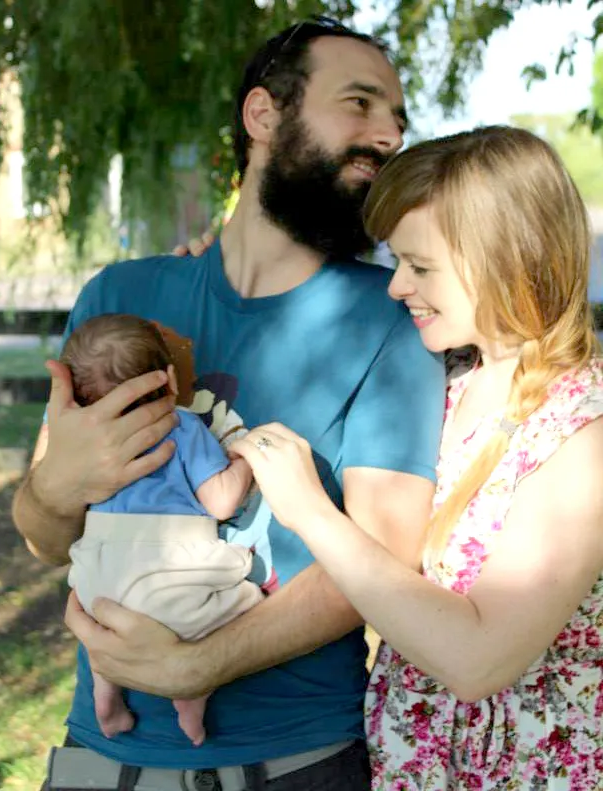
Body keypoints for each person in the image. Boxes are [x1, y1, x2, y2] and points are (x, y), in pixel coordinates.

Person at [12, 15, 445, 791]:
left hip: (292, 766)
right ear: (262, 114)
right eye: (359, 103)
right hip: (96, 760)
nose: (388, 135)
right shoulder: (120, 297)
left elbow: (381, 563)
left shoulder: (394, 320)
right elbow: (44, 536)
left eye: (397, 119)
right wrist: (55, 487)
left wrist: (197, 664)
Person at [225, 125, 603, 789]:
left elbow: (478, 659)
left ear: (509, 261)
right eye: (396, 259)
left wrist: (311, 511)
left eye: (421, 267)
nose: (397, 285)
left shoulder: (583, 435)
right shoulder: (447, 377)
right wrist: (222, 263)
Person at [60, 313, 263, 747]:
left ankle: (105, 695)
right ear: (170, 378)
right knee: (242, 602)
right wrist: (245, 460)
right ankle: (191, 695)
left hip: (96, 570)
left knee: (102, 625)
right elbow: (221, 501)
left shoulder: (88, 443)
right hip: (169, 563)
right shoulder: (182, 425)